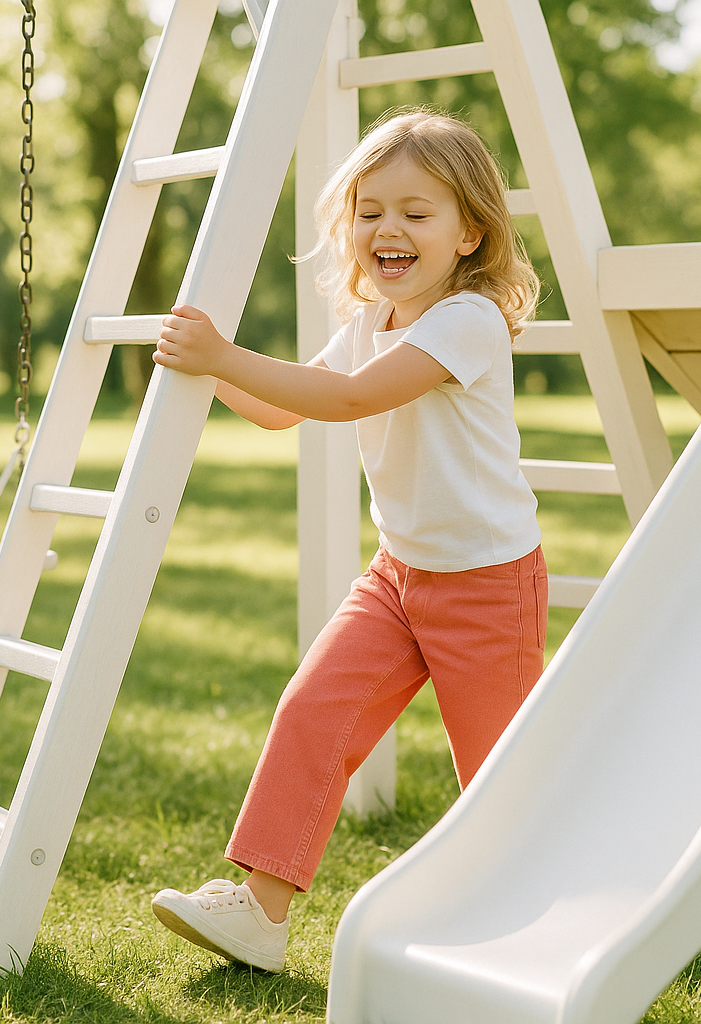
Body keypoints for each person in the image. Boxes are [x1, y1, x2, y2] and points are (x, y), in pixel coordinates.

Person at [149, 109, 548, 972]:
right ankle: (261, 909)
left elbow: (353, 401)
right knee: (313, 711)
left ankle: (539, 914)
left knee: (497, 769)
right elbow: (278, 407)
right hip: (399, 575)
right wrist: (196, 366)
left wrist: (223, 356)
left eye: (416, 211)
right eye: (370, 211)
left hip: (486, 584)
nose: (388, 229)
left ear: (469, 233)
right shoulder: (369, 322)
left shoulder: (468, 319)